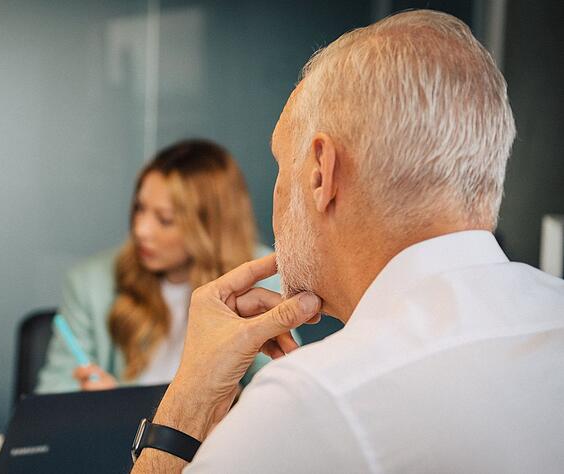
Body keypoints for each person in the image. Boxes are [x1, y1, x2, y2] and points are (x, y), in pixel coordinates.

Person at [132, 10, 564, 473]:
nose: (275, 194)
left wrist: (186, 406)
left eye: (281, 165)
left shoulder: (310, 403)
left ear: (322, 172)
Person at [36, 139, 293, 393]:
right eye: (140, 208)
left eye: (165, 219)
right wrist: (100, 406)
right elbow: (52, 392)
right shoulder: (90, 282)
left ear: (209, 226)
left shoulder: (260, 276)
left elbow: (278, 391)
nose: (141, 230)